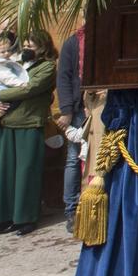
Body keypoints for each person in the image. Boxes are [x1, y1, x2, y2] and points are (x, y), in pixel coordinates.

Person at [0, 34, 57, 235]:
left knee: (27, 172)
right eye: (25, 44)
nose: (26, 47)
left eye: (31, 44)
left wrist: (1, 95)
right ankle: (5, 217)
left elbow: (30, 88)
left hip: (30, 122)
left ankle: (26, 218)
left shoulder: (47, 67)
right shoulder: (16, 64)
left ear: (42, 46)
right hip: (8, 122)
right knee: (7, 173)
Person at [55, 23, 88, 233]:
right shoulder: (73, 42)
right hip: (77, 109)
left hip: (99, 106)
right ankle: (72, 209)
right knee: (74, 159)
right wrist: (66, 110)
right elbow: (64, 78)